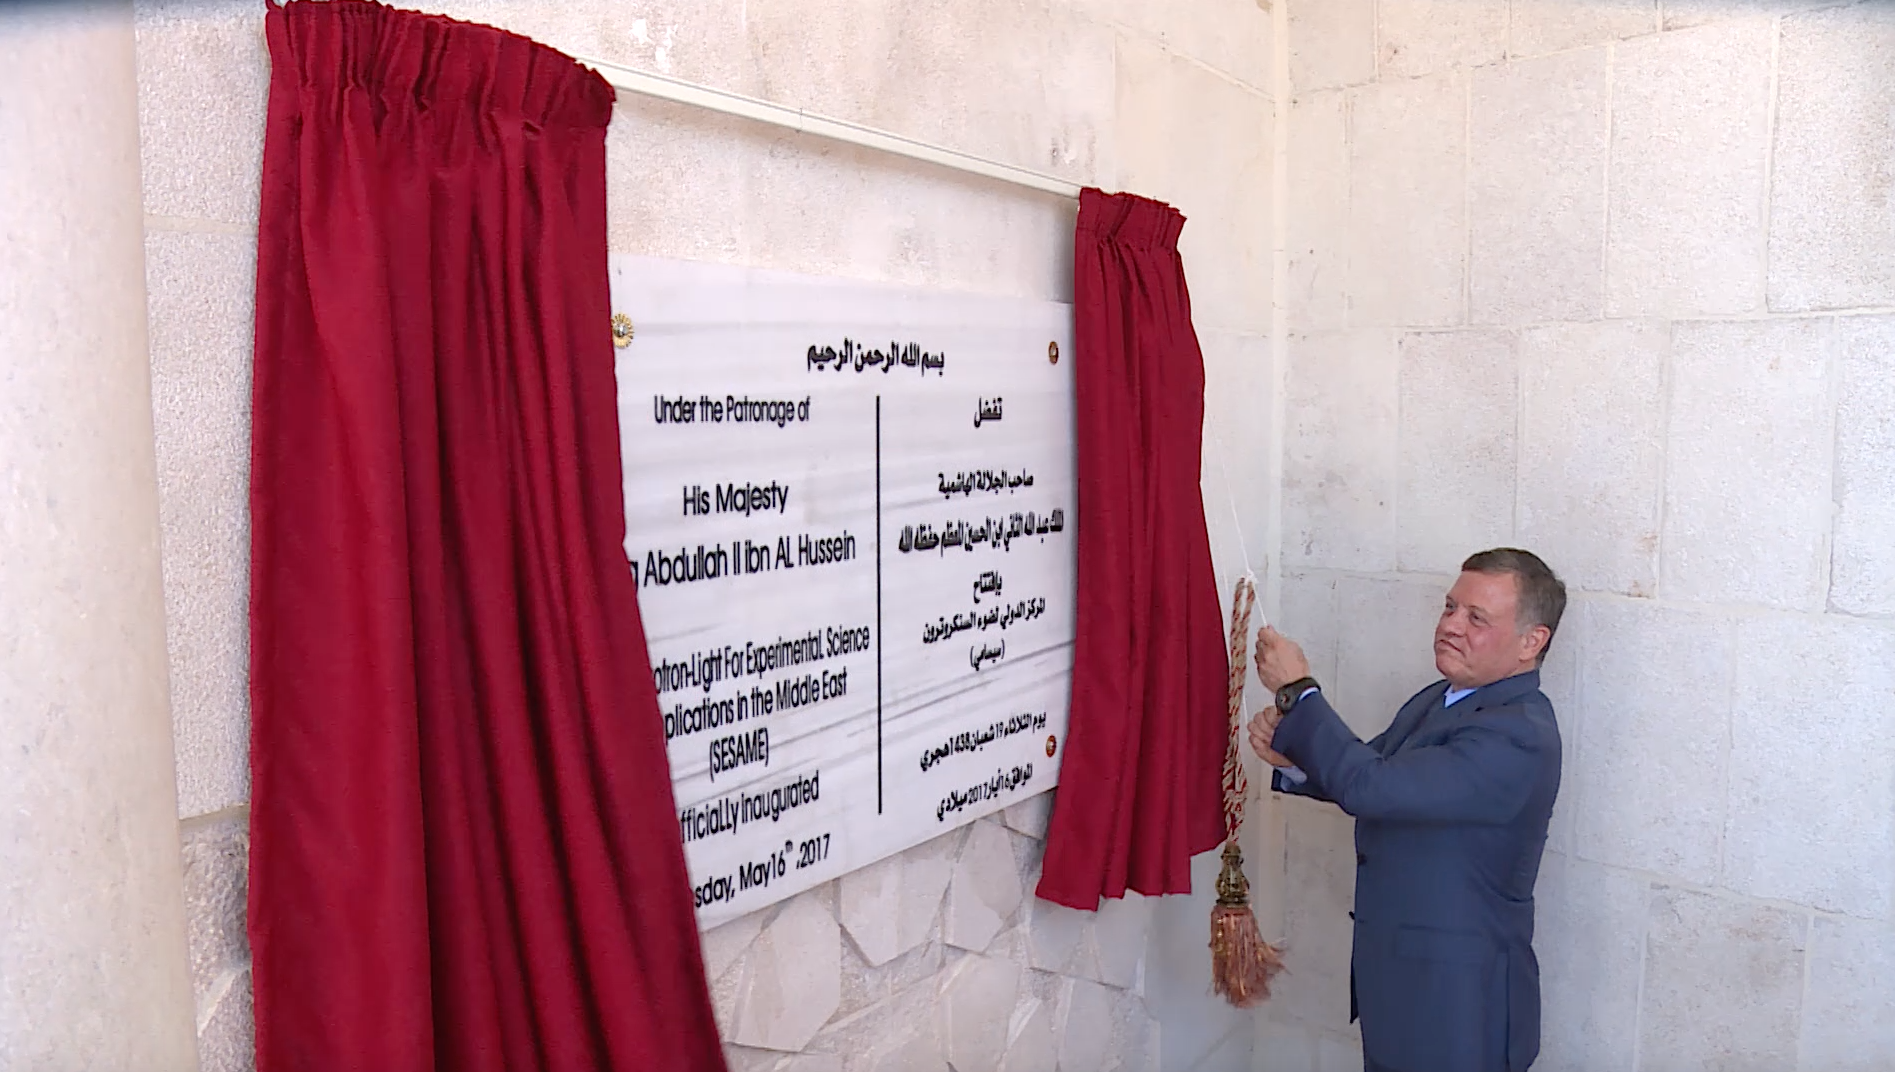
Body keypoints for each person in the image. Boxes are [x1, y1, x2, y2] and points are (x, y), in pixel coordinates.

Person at [1248, 548, 1566, 1072]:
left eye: (1476, 618)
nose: (1451, 626)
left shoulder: (1518, 734)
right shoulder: (1444, 695)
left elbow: (1372, 787)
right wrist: (1298, 760)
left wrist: (1299, 693)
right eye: (1449, 608)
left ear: (1532, 641)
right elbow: (1380, 771)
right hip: (1405, 985)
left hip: (1458, 1001)